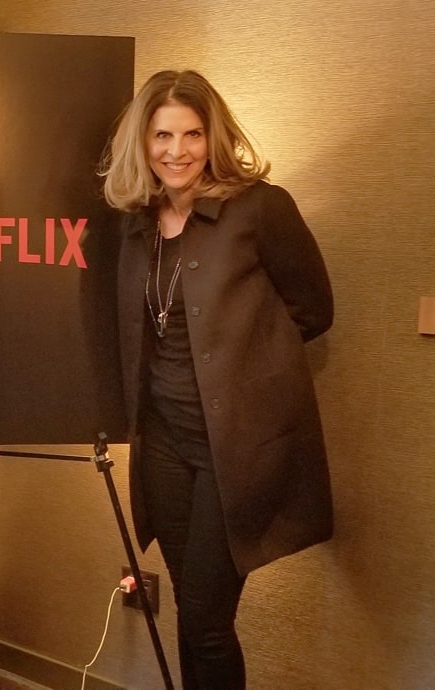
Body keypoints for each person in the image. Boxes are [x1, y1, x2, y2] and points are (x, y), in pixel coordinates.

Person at [100, 70, 334, 689]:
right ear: (142, 143)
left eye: (192, 134)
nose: (177, 151)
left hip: (236, 453)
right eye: (162, 135)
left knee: (204, 617)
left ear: (214, 137)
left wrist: (248, 364)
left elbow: (314, 311)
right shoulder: (136, 222)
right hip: (164, 446)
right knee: (194, 610)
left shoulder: (260, 208)